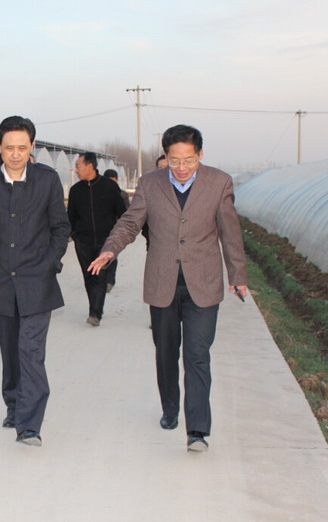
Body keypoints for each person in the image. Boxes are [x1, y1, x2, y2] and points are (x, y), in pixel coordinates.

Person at [88, 124, 248, 452]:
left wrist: (237, 275)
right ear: (166, 157)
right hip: (163, 283)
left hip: (204, 284)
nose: (182, 167)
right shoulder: (150, 184)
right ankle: (170, 407)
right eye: (175, 161)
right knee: (166, 352)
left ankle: (197, 430)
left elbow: (230, 232)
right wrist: (110, 249)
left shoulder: (219, 182)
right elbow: (130, 223)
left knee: (197, 355)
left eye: (189, 160)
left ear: (200, 154)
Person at [0, 116, 70, 447]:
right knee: (11, 352)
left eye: (22, 148)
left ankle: (29, 425)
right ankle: (13, 405)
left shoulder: (47, 179)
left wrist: (50, 262)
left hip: (37, 282)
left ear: (32, 147)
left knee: (31, 351)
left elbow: (60, 227)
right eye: (9, 147)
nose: (15, 154)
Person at [67, 153, 127, 326]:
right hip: (83, 242)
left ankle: (95, 313)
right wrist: (75, 235)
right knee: (88, 277)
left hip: (105, 241)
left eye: (78, 167)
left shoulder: (110, 187)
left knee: (99, 276)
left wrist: (116, 236)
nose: (76, 170)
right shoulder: (75, 190)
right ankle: (94, 308)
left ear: (89, 166)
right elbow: (70, 217)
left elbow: (122, 213)